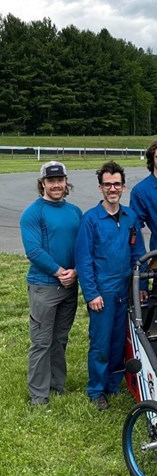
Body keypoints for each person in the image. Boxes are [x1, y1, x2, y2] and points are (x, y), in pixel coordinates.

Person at [75, 161, 145, 410]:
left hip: (124, 290)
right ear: (100, 188)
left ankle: (114, 384)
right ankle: (97, 389)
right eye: (107, 184)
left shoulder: (130, 217)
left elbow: (138, 252)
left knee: (119, 340)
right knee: (101, 342)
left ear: (123, 187)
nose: (112, 188)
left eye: (116, 184)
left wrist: (139, 285)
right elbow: (83, 260)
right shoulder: (91, 219)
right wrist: (92, 293)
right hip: (102, 291)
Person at [20, 161, 83, 407]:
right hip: (44, 286)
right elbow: (33, 250)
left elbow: (82, 246)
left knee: (60, 339)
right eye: (51, 181)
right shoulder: (33, 213)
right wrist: (59, 272)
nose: (56, 185)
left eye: (60, 180)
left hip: (69, 286)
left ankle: (57, 385)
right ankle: (38, 396)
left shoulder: (75, 212)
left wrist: (75, 272)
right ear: (42, 184)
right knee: (42, 342)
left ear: (66, 182)